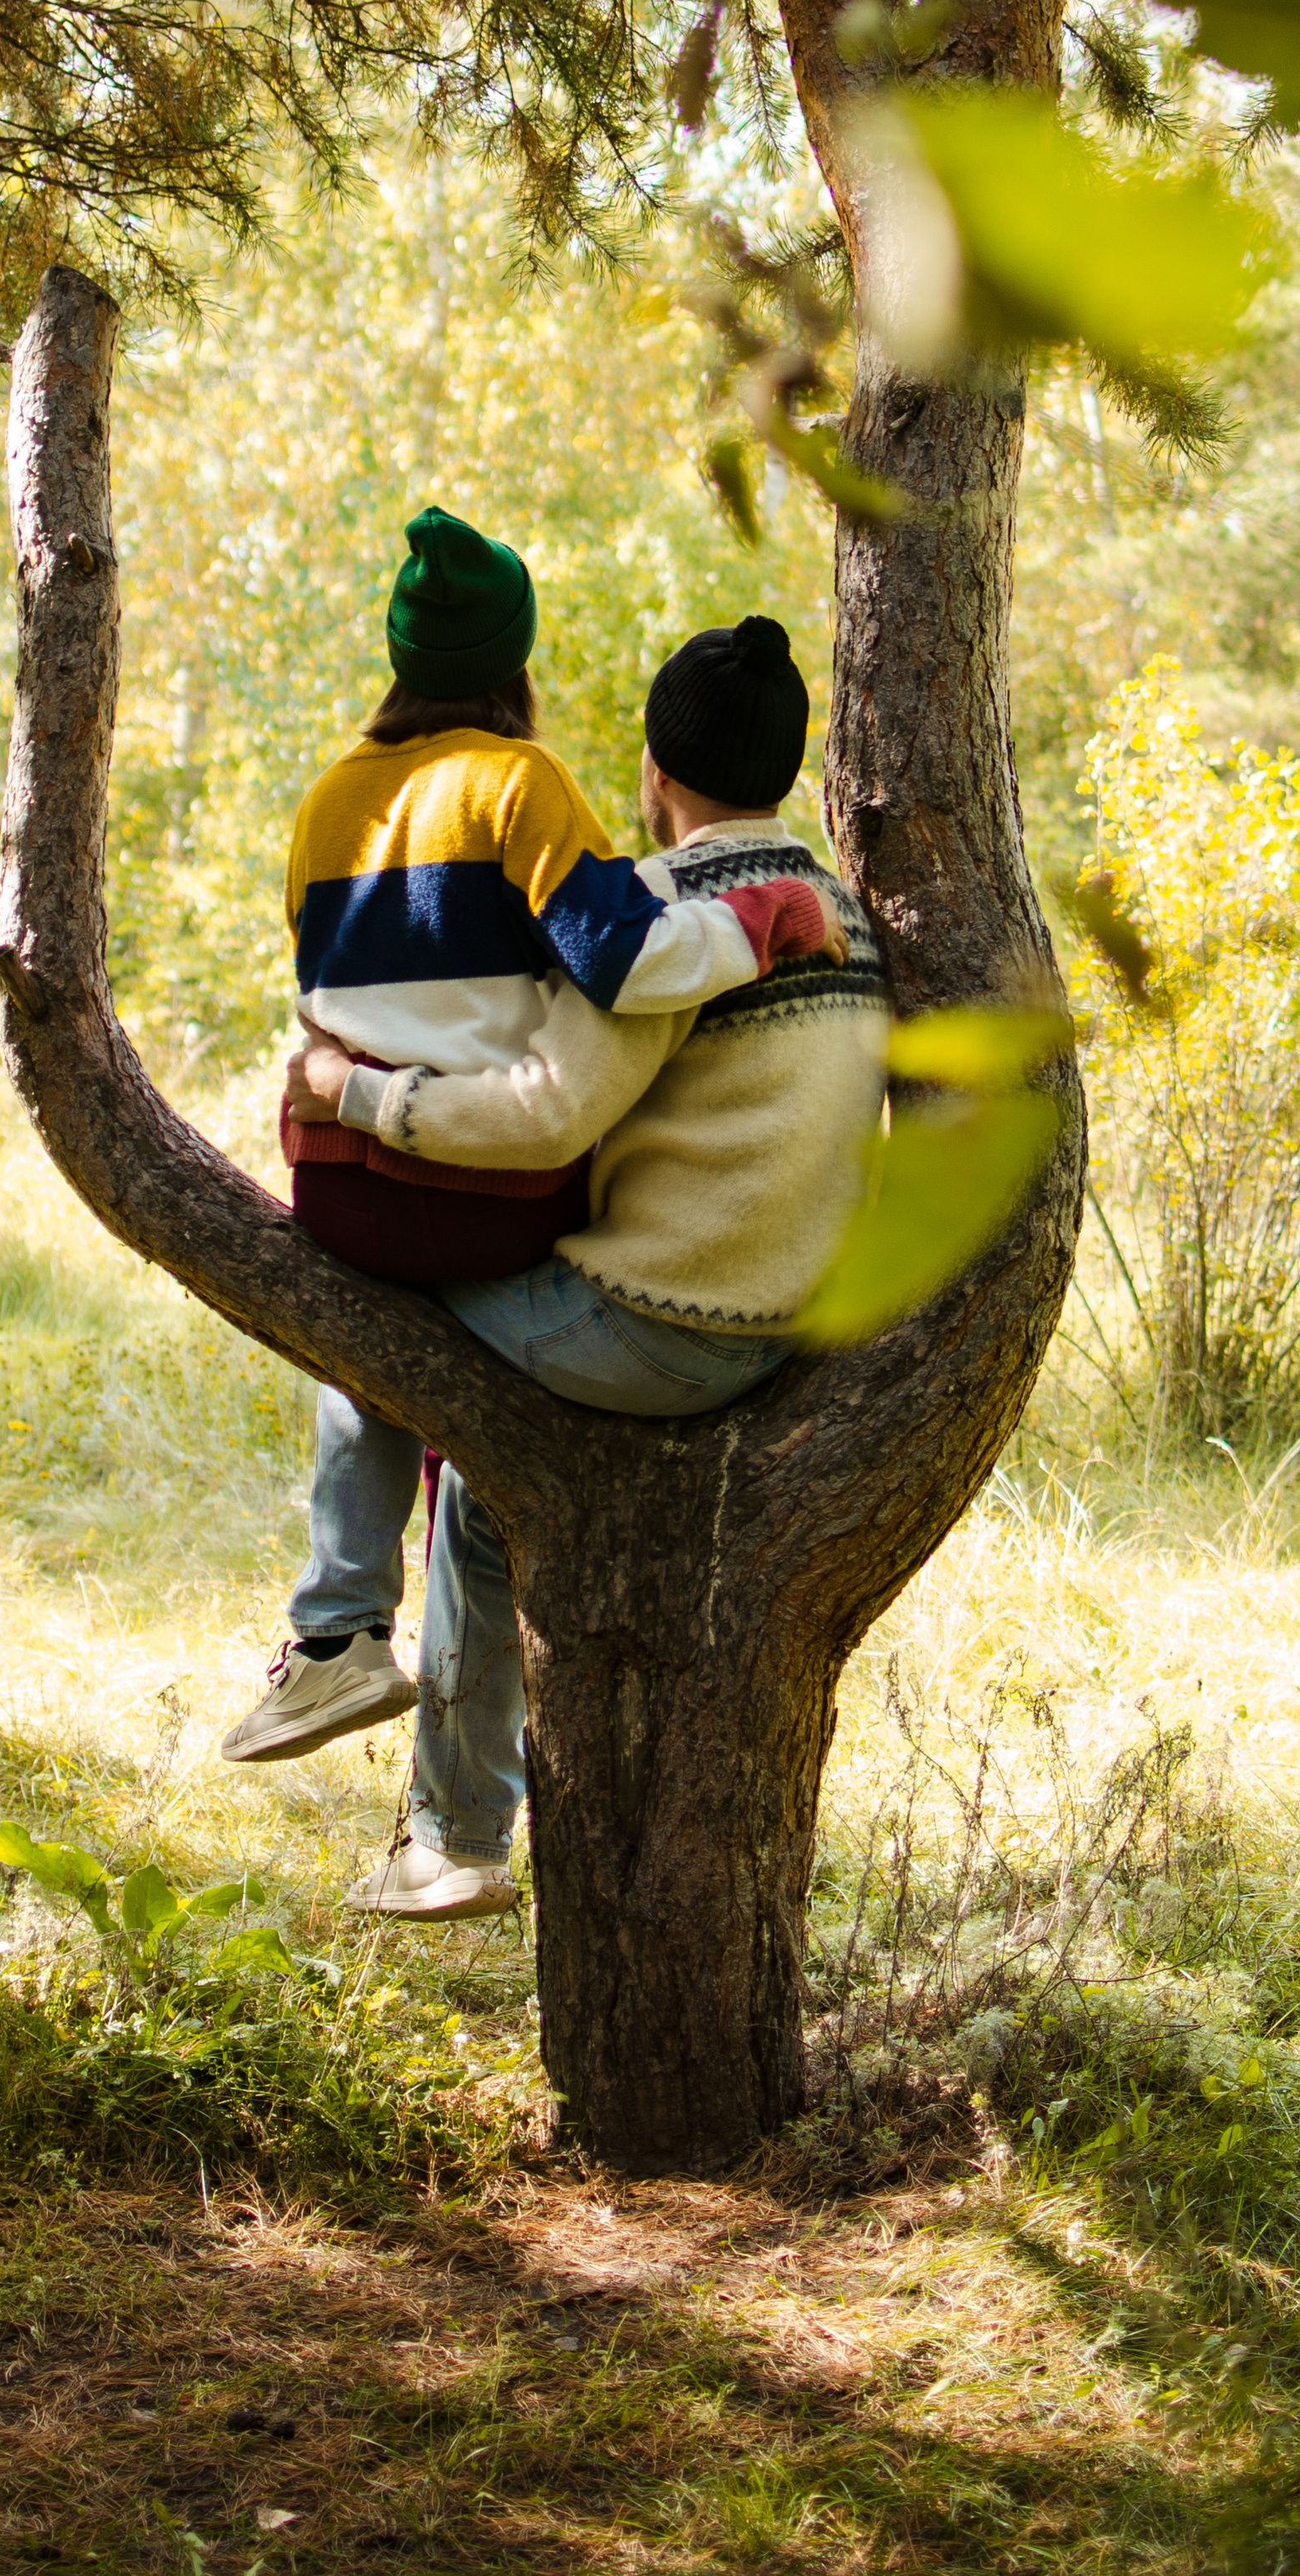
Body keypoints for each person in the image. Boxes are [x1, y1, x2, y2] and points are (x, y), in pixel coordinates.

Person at [243, 614, 891, 1920]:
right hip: (802, 1319)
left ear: (655, 772)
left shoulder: (662, 915)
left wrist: (356, 1095)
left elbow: (544, 1110)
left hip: (656, 1319)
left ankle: (430, 1791)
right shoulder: (848, 915)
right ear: (791, 766)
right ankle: (456, 1824)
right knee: (482, 1504)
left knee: (376, 1312)